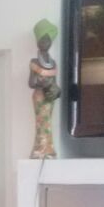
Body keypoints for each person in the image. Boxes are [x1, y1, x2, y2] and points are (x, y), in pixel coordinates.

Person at [29, 19, 60, 159]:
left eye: (48, 40)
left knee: (47, 124)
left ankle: (48, 150)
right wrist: (42, 83)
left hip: (50, 97)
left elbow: (55, 83)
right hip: (39, 96)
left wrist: (57, 90)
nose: (46, 43)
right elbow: (31, 82)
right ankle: (40, 150)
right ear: (38, 42)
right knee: (42, 123)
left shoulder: (53, 62)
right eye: (42, 40)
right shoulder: (34, 62)